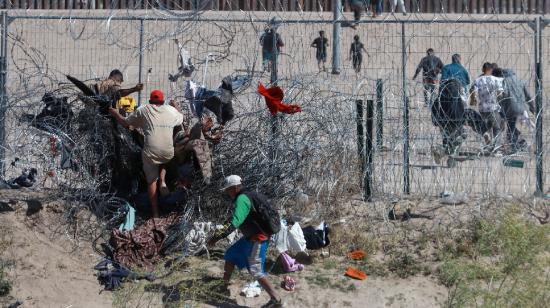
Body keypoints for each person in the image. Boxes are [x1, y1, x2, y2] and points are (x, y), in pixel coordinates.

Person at [208, 175, 283, 308]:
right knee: (231, 254)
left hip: (258, 238)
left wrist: (217, 237)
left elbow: (236, 221)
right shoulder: (249, 195)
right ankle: (223, 286)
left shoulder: (242, 198)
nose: (227, 192)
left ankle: (276, 299)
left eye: (228, 189)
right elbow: (236, 218)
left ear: (236, 187)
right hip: (251, 236)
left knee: (255, 269)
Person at [109, 90, 184, 218]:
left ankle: (155, 212)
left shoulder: (144, 109)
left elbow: (125, 122)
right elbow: (181, 118)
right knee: (163, 157)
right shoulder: (171, 111)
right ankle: (163, 181)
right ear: (162, 101)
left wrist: (115, 113)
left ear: (150, 101)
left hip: (151, 152)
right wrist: (176, 107)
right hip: (167, 152)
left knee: (151, 180)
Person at [493, 68, 534, 151]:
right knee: (512, 126)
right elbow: (528, 96)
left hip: (509, 108)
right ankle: (515, 142)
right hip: (522, 108)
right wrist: (533, 107)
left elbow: (501, 97)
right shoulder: (519, 81)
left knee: (509, 126)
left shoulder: (502, 82)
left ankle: (513, 145)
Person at [470, 63, 504, 146]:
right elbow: (500, 93)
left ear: (483, 70)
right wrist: (500, 99)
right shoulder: (495, 79)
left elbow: (472, 90)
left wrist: (473, 100)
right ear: (491, 70)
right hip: (493, 108)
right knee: (497, 128)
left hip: (482, 108)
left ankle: (488, 145)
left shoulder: (478, 80)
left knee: (487, 128)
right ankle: (496, 148)